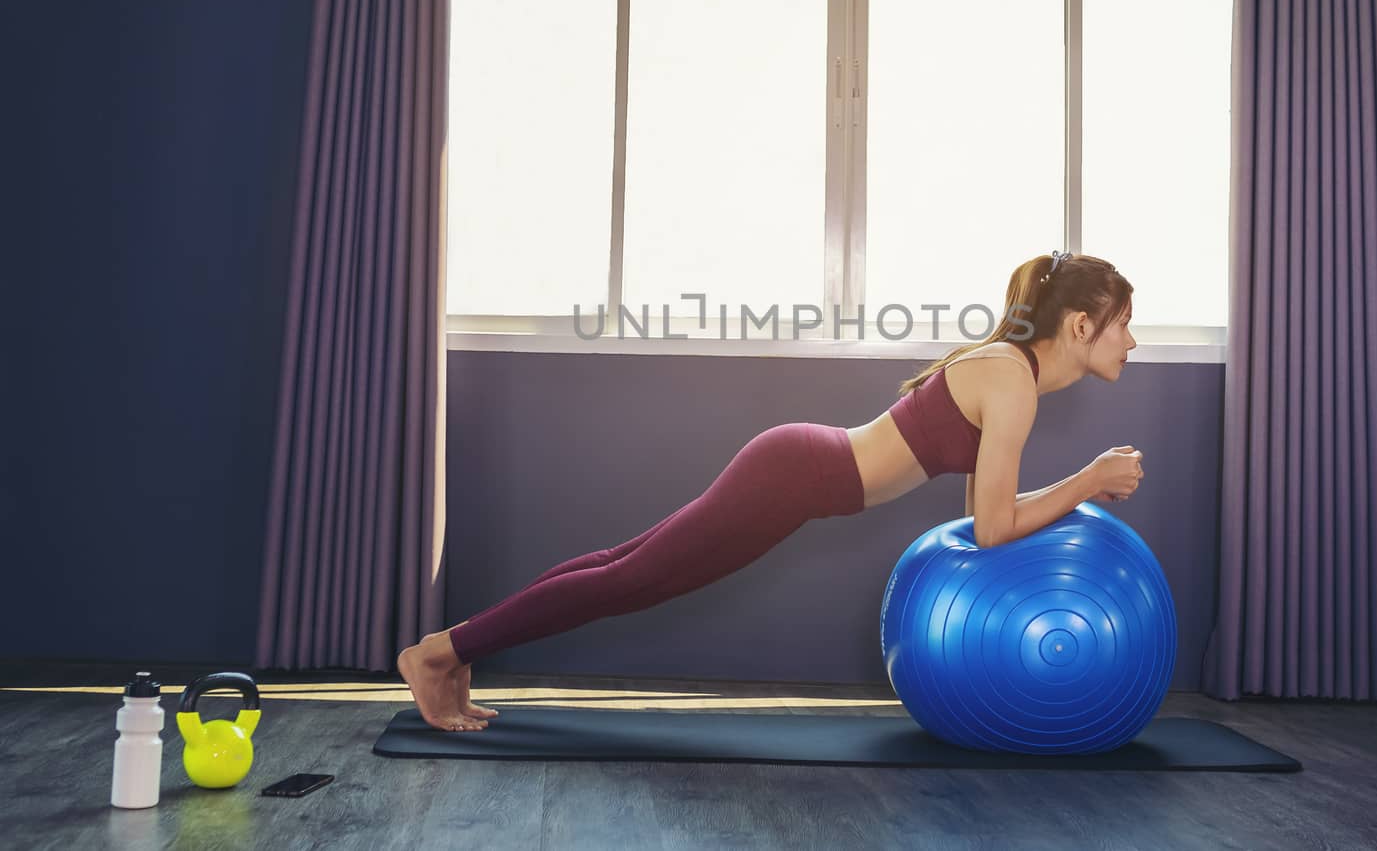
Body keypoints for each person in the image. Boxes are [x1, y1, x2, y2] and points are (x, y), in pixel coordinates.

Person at [397, 250, 1146, 731]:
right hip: (796, 472)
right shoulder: (1011, 381)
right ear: (1081, 324)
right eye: (1123, 325)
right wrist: (1089, 478)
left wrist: (1080, 480)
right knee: (631, 578)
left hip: (799, 468)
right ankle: (441, 652)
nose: (1132, 341)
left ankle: (458, 649)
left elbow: (985, 518)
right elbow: (989, 530)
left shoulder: (1008, 373)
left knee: (624, 565)